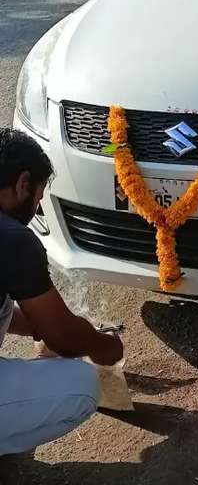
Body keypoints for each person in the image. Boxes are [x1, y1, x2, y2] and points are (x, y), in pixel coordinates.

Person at [0, 128, 123, 456]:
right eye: (38, 196)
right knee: (82, 385)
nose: (37, 207)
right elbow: (66, 340)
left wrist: (39, 325)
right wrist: (104, 346)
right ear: (23, 184)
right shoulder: (11, 239)